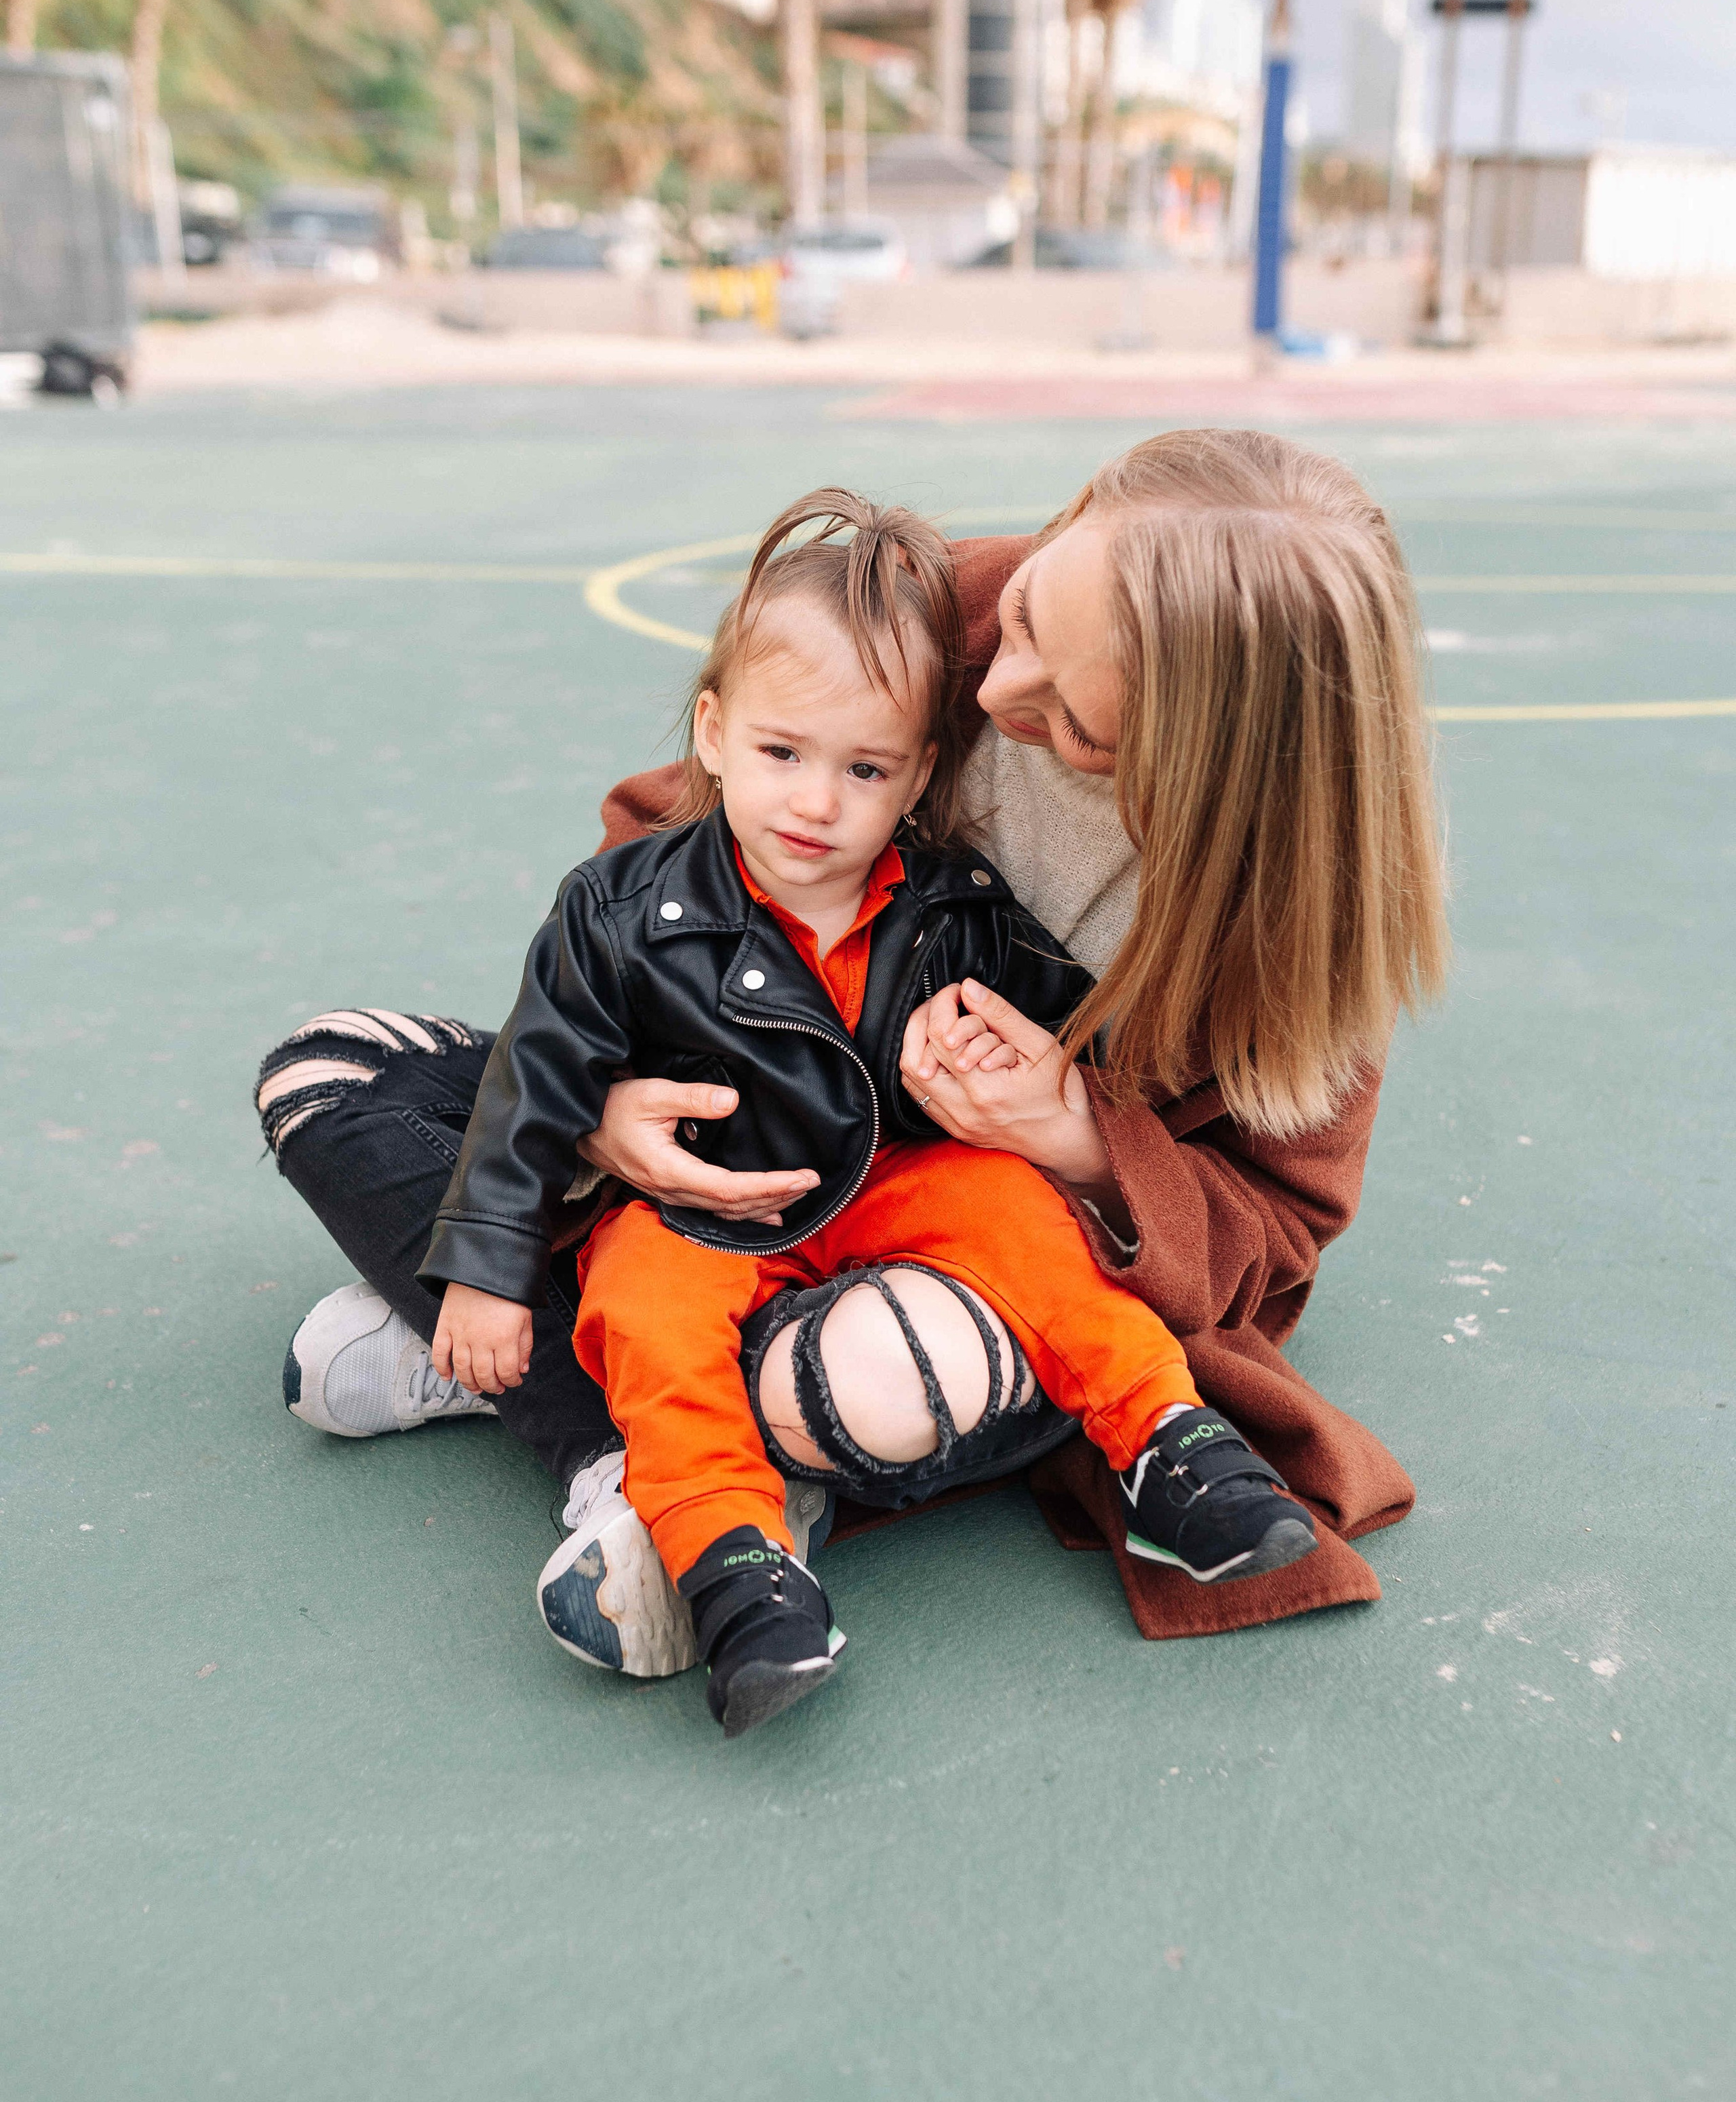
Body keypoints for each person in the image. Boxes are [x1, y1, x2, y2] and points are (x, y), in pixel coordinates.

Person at [256, 427, 1448, 1667]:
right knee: (330, 1075)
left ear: (1219, 764)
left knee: (870, 1382)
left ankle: (623, 1428)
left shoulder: (1299, 913)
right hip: (722, 1155)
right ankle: (611, 1435)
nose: (994, 689)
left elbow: (1277, 1230)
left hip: (954, 1231)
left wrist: (1080, 1138)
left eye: (1080, 725)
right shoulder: (944, 614)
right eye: (1033, 611)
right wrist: (603, 1109)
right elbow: (657, 858)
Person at [418, 492, 1318, 1736]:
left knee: (1017, 1212)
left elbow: (1086, 1032)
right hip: (708, 1203)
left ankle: (1170, 1441)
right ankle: (736, 1567)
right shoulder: (622, 903)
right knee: (643, 1309)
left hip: (897, 1182)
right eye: (783, 754)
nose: (816, 803)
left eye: (865, 771)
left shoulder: (954, 902)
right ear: (715, 733)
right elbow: (530, 1079)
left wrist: (1053, 1078)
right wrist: (493, 1262)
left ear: (918, 779)